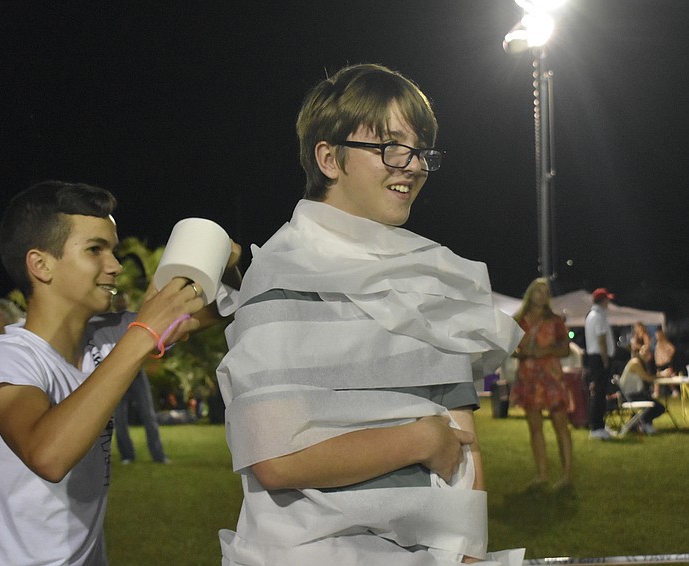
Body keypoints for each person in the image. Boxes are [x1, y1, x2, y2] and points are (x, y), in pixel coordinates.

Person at [216, 64, 523, 565]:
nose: (413, 165)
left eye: (420, 150)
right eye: (389, 147)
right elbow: (274, 459)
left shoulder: (435, 277)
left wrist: (469, 556)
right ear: (329, 158)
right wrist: (418, 438)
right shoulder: (280, 275)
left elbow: (465, 445)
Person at [0, 181, 237, 565]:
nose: (115, 265)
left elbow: (220, 307)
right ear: (41, 264)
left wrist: (224, 259)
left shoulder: (109, 337)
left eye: (112, 248)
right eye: (95, 249)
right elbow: (48, 456)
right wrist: (142, 335)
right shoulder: (8, 357)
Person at [509, 278, 573, 489]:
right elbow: (511, 349)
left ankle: (566, 475)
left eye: (545, 292)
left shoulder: (554, 321)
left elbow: (566, 349)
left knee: (560, 425)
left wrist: (546, 351)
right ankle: (542, 474)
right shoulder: (519, 320)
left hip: (551, 376)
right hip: (529, 377)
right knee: (535, 427)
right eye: (538, 291)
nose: (542, 295)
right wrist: (522, 353)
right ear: (530, 293)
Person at [113, 368, 168, 464]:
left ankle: (158, 455)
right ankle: (127, 455)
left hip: (136, 373)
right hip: (117, 374)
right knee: (119, 418)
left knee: (148, 414)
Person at [585, 287, 616, 440]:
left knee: (599, 392)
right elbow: (601, 339)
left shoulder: (592, 315)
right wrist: (605, 360)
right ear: (603, 300)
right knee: (599, 393)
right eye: (607, 300)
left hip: (595, 357)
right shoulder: (598, 316)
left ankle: (599, 425)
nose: (608, 302)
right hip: (599, 358)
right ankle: (597, 427)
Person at [618, 347, 666, 435]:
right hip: (629, 396)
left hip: (634, 394)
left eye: (648, 352)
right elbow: (647, 378)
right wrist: (662, 376)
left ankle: (640, 423)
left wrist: (659, 375)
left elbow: (649, 376)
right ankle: (642, 423)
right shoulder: (635, 363)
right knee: (658, 407)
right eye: (643, 351)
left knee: (655, 405)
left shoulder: (642, 364)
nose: (645, 354)